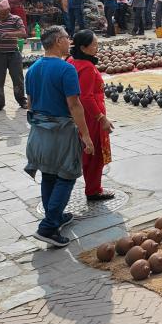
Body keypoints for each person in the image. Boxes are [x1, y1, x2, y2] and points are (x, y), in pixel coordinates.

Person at [24, 25, 94, 247]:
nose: (69, 41)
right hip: (62, 131)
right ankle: (48, 227)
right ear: (56, 42)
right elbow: (74, 105)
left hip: (39, 132)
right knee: (66, 176)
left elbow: (30, 103)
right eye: (66, 37)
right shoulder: (66, 69)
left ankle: (56, 216)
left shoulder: (33, 69)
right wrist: (86, 135)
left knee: (49, 175)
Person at [68, 29, 115, 201]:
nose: (97, 47)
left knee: (87, 152)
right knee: (94, 154)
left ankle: (91, 186)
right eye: (94, 44)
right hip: (91, 117)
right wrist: (101, 118)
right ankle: (94, 189)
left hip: (80, 115)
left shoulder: (72, 61)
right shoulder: (87, 67)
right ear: (83, 47)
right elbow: (86, 97)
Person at [0, 0, 28, 113]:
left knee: (18, 79)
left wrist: (8, 33)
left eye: (4, 13)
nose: (2, 16)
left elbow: (23, 33)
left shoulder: (16, 19)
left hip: (13, 53)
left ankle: (22, 100)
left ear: (9, 10)